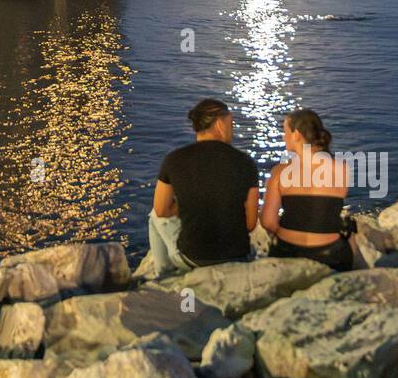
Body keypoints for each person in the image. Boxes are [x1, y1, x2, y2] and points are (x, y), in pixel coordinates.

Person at [149, 97, 260, 273]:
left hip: (192, 258)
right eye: (231, 124)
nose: (233, 130)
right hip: (237, 256)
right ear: (220, 125)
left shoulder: (174, 159)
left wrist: (187, 205)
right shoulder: (246, 162)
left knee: (154, 215)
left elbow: (162, 210)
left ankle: (162, 273)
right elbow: (251, 223)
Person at [260, 108, 353, 271]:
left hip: (287, 252)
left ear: (296, 134)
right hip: (331, 255)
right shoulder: (342, 169)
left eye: (285, 131)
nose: (284, 137)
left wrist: (285, 233)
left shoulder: (279, 172)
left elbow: (268, 222)